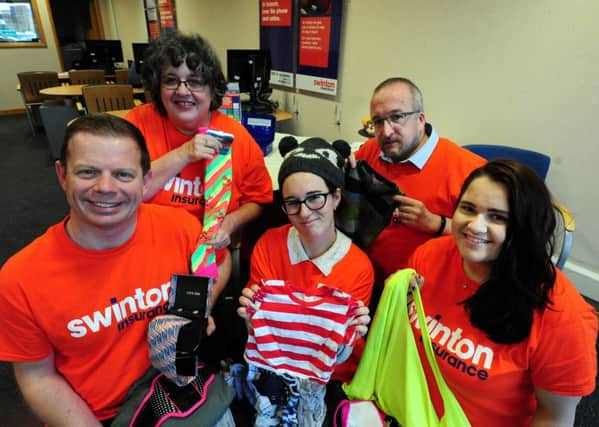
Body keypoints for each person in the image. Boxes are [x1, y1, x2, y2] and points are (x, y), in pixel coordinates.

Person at [0, 114, 210, 426]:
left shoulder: (181, 228)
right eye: (88, 172)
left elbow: (210, 270)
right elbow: (37, 379)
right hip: (98, 416)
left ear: (146, 180)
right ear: (62, 175)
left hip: (180, 394)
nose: (105, 187)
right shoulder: (19, 279)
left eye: (123, 175)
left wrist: (201, 310)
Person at [407, 159, 598, 426]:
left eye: (498, 217)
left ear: (525, 227)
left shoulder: (563, 317)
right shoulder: (429, 256)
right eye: (468, 208)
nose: (474, 226)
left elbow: (554, 419)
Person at [125, 32, 273, 304]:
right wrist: (183, 154)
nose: (182, 91)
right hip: (142, 252)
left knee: (189, 325)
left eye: (194, 81)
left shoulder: (236, 137)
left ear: (212, 89)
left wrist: (230, 223)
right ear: (158, 86)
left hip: (207, 258)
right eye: (171, 80)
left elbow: (259, 199)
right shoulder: (136, 126)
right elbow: (124, 193)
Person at [237, 138, 373, 425]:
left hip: (329, 379)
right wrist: (253, 321)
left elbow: (339, 358)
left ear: (336, 197)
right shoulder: (269, 244)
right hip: (272, 372)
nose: (304, 212)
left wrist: (343, 341)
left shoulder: (358, 266)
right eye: (292, 203)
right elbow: (262, 333)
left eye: (315, 198)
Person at [355, 77, 485, 288]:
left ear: (420, 119)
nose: (386, 132)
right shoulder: (370, 151)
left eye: (397, 117)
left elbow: (497, 237)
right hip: (370, 280)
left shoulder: (469, 170)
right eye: (378, 121)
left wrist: (435, 224)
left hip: (426, 291)